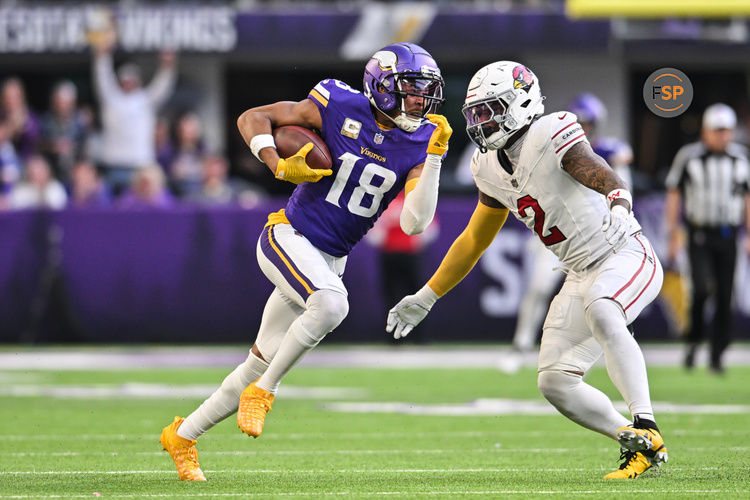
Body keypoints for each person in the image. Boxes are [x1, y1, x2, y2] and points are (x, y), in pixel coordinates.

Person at [159, 43, 451, 481]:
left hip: (330, 259)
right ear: (382, 87)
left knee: (259, 358)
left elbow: (414, 223)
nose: (419, 101)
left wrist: (433, 159)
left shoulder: (421, 139)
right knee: (333, 306)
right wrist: (276, 163)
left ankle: (183, 435)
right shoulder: (337, 103)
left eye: (424, 92)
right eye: (409, 89)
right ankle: (265, 393)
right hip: (287, 236)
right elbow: (252, 118)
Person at [387, 61, 667, 479]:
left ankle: (647, 422)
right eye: (475, 113)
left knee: (604, 309)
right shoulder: (487, 166)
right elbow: (473, 240)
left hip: (622, 252)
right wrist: (427, 296)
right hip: (577, 272)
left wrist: (620, 201)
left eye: (490, 110)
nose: (481, 123)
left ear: (519, 103)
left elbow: (597, 169)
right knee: (555, 382)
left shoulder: (550, 131)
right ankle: (637, 443)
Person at [500, 93, 635, 373]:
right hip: (558, 234)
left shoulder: (609, 152)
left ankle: (616, 351)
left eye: (588, 124)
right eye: (580, 123)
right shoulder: (553, 147)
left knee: (605, 295)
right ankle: (521, 343)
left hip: (596, 234)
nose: (584, 129)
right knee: (538, 288)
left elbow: (622, 184)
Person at [665, 103, 750, 374]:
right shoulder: (689, 157)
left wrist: (748, 234)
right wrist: (673, 233)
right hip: (699, 233)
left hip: (728, 234)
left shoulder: (741, 159)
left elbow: (747, 198)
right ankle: (692, 342)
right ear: (705, 132)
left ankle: (717, 355)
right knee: (700, 290)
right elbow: (674, 194)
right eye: (717, 131)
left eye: (726, 131)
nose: (722, 136)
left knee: (726, 295)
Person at [91, 33, 176, 195]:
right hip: (113, 165)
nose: (129, 84)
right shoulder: (111, 98)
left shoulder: (145, 100)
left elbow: (162, 88)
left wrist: (167, 67)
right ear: (120, 81)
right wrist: (103, 56)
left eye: (132, 80)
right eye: (125, 80)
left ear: (138, 81)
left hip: (141, 167)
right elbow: (102, 78)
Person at [366, 190, 439, 343]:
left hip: (408, 254)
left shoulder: (416, 199)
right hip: (392, 254)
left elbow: (431, 228)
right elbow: (373, 230)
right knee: (392, 295)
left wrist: (415, 242)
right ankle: (395, 338)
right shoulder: (385, 200)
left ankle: (418, 337)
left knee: (416, 295)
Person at [40, 81, 90, 183]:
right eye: (59, 102)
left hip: (75, 169)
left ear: (73, 103)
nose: (62, 106)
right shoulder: (46, 121)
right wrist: (53, 147)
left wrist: (72, 147)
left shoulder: (81, 121)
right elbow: (39, 144)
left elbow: (85, 147)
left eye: (65, 103)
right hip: (51, 171)